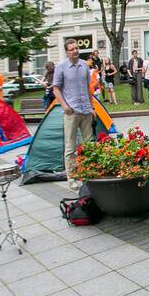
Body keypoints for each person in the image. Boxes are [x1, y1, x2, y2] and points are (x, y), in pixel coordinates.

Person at [52, 39, 94, 191]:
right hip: (71, 112)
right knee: (70, 148)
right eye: (71, 49)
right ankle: (72, 179)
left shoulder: (84, 65)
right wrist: (64, 106)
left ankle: (89, 174)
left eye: (76, 48)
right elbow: (55, 88)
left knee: (89, 146)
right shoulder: (61, 67)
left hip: (86, 111)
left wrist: (93, 107)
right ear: (67, 52)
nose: (75, 51)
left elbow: (88, 87)